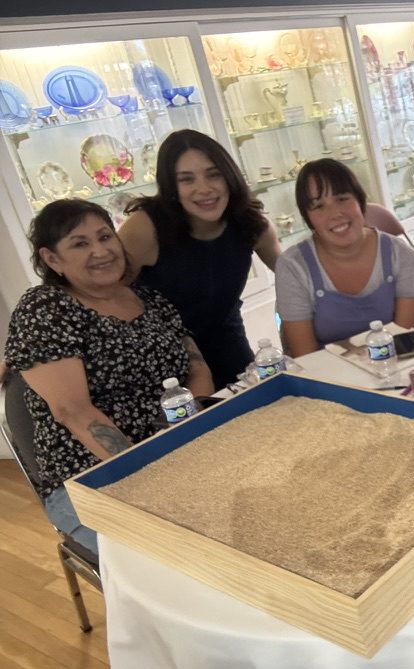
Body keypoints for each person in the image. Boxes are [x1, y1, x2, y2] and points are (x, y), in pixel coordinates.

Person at [4, 199, 213, 555]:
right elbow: (74, 412)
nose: (100, 250)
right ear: (52, 259)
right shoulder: (46, 308)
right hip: (94, 481)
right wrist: (149, 476)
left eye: (105, 236)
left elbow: (198, 369)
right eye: (80, 243)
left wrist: (187, 435)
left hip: (177, 456)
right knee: (180, 563)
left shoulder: (150, 299)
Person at [119, 129, 280, 390]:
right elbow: (109, 298)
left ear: (229, 176)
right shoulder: (144, 228)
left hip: (231, 348)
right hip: (168, 366)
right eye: (187, 179)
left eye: (213, 174)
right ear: (172, 188)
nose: (204, 189)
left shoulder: (251, 223)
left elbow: (294, 275)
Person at [275, 159, 414, 356]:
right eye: (319, 206)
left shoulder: (400, 254)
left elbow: (405, 343)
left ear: (360, 201)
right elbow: (307, 359)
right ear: (308, 218)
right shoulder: (293, 267)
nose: (335, 213)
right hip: (327, 379)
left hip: (395, 369)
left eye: (342, 199)